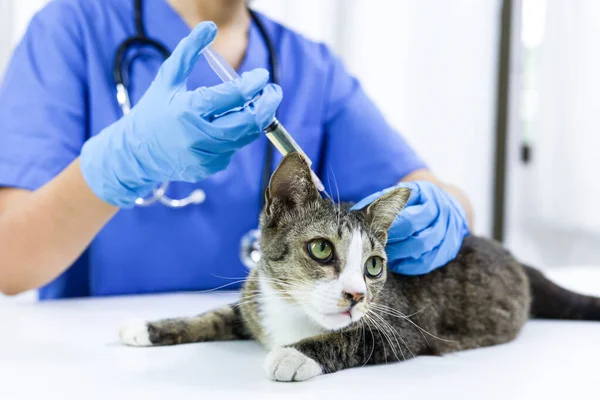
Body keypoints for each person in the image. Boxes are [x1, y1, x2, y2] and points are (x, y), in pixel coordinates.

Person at [0, 0, 472, 300]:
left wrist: (444, 212)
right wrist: (123, 161)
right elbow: (9, 261)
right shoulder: (72, 28)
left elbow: (427, 190)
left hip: (261, 360)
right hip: (100, 365)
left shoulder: (309, 65)